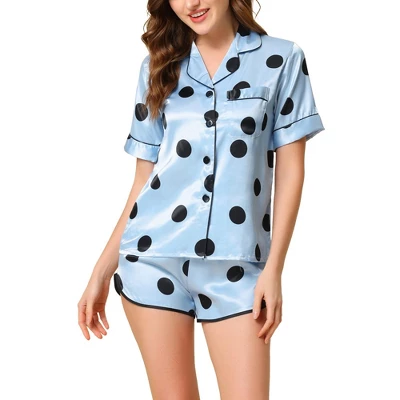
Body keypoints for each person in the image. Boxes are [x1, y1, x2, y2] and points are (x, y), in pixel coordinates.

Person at [78, 0, 325, 398]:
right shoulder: (157, 67)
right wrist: (102, 270)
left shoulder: (282, 59)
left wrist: (274, 269)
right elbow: (143, 180)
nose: (191, 3)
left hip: (239, 268)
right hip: (152, 262)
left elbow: (291, 171)